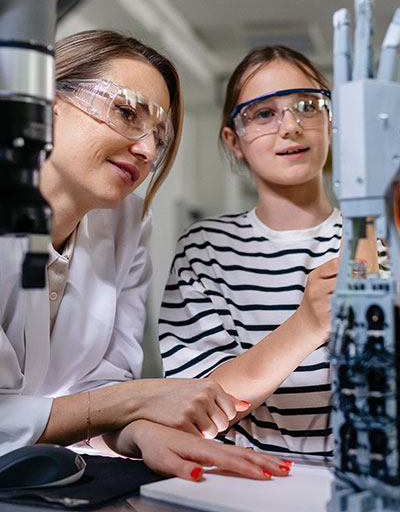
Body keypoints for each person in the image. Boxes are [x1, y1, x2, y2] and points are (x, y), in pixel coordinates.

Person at [0, 30, 291, 482]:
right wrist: (134, 402)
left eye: (159, 135)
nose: (148, 150)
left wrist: (139, 432)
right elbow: (101, 403)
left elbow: (97, 396)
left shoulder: (127, 222)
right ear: (45, 100)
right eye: (126, 112)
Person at [160, 46, 341, 459]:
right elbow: (193, 404)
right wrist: (307, 325)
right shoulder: (204, 249)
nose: (291, 126)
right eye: (263, 113)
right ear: (233, 140)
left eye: (307, 106)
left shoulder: (374, 238)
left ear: (330, 121)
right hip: (245, 480)